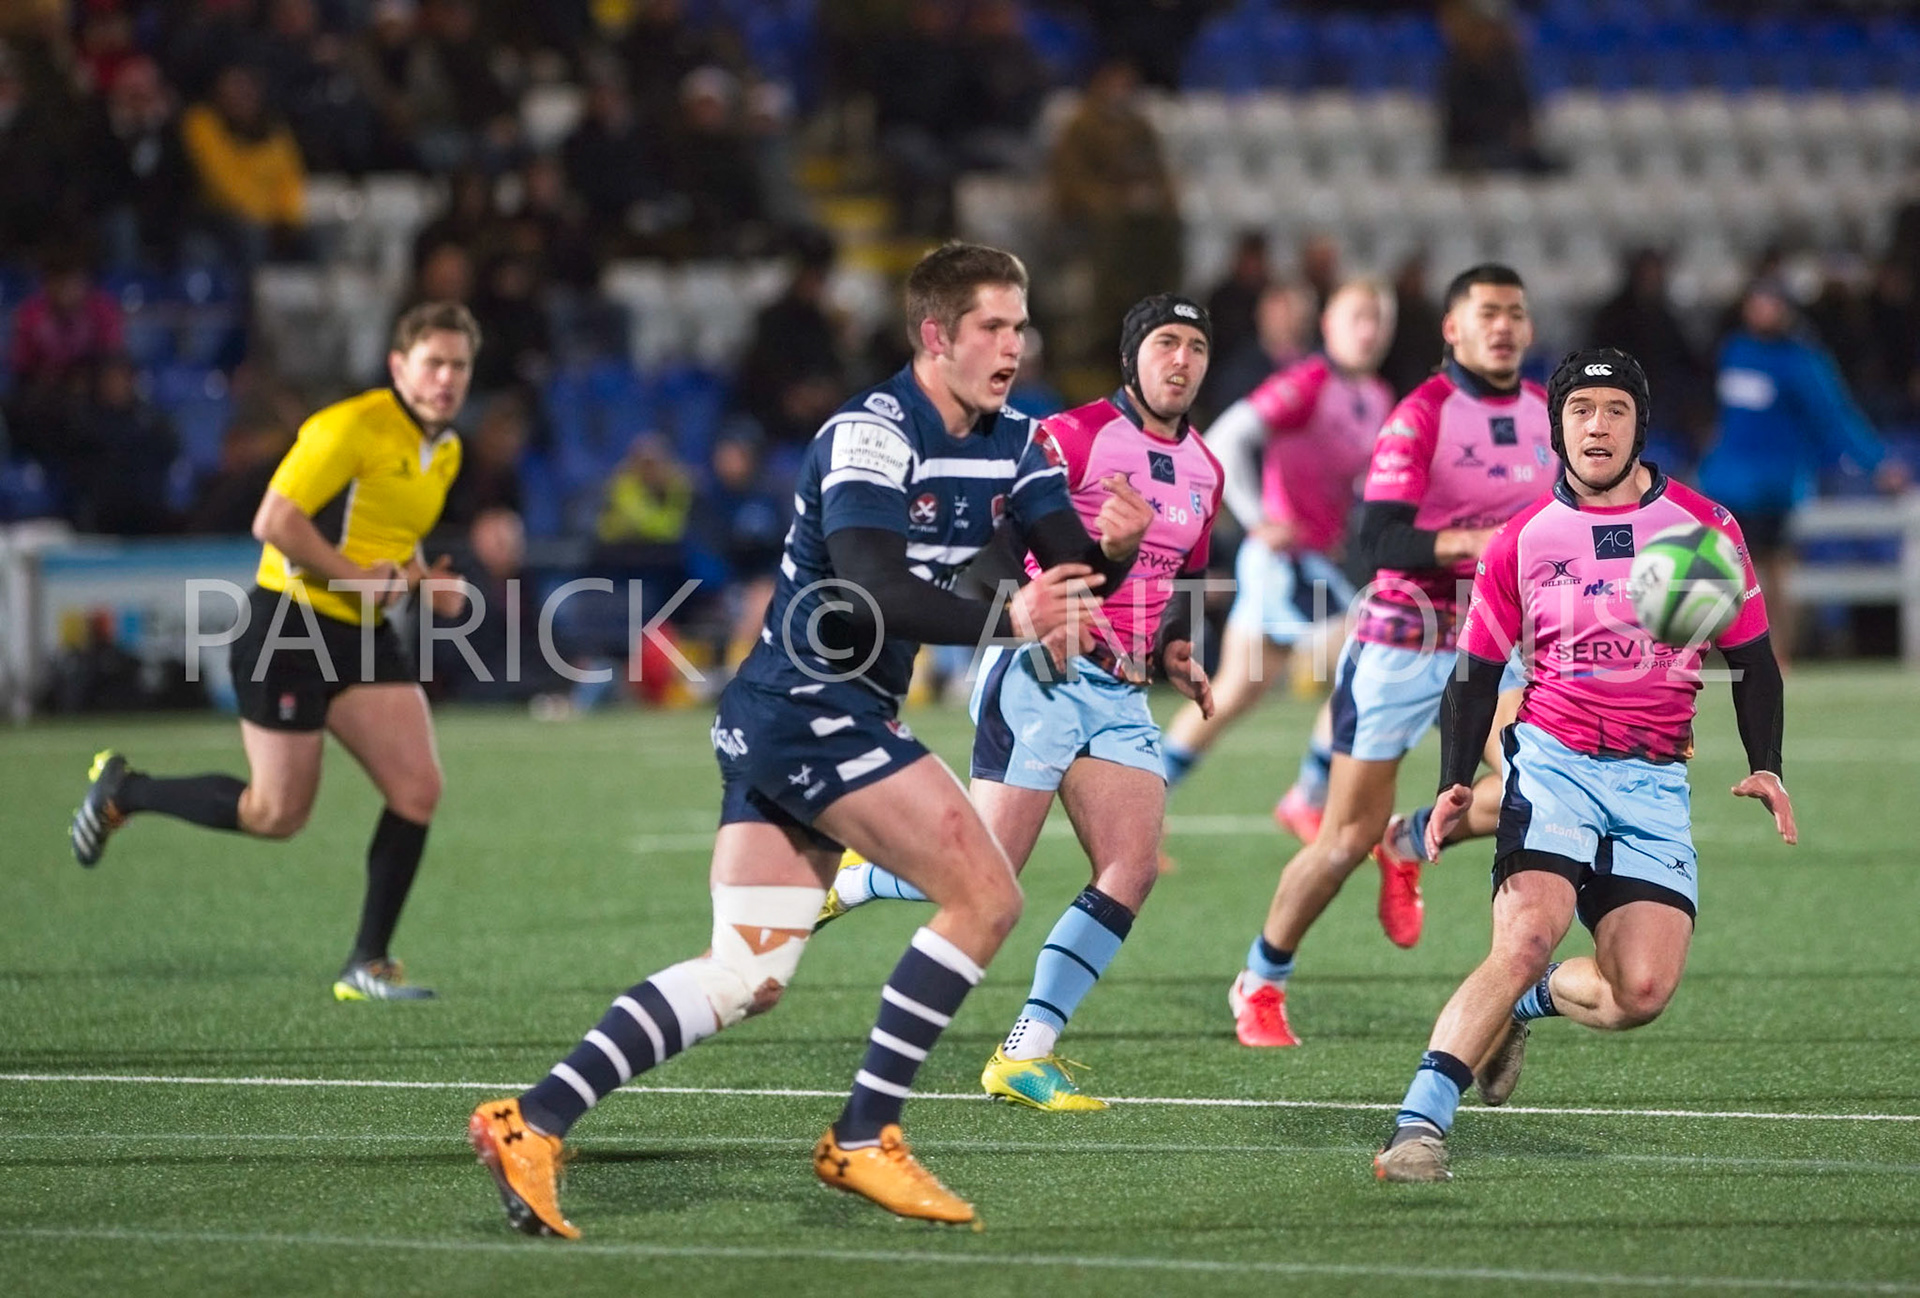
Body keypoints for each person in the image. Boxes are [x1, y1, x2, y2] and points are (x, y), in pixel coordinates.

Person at [466, 243, 1140, 1237]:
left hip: (810, 718)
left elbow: (1062, 581)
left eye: (1019, 324)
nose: (1013, 343)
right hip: (808, 704)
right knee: (988, 893)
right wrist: (1016, 613)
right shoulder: (867, 434)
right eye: (992, 326)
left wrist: (1106, 555)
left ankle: (534, 1117)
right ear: (935, 336)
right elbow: (871, 587)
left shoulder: (1024, 441)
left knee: (747, 974)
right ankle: (865, 1135)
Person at [1373, 348, 1793, 1182]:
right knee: (1528, 935)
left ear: (1640, 424)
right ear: (1557, 426)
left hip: (1653, 782)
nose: (1595, 425)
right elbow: (1476, 672)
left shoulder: (1707, 530)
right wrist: (1457, 780)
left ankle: (1523, 1010)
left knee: (1639, 991)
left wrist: (1766, 763)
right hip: (1556, 763)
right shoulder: (1524, 538)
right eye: (1579, 411)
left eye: (1613, 409)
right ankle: (1419, 1127)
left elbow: (1755, 656)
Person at [816, 294, 1219, 1111]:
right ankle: (859, 877)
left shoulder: (1206, 468)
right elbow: (984, 546)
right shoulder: (1069, 437)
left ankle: (1024, 1052)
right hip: (1041, 673)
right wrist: (1030, 612)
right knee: (987, 874)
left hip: (1120, 689)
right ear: (1133, 355)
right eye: (1166, 343)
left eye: (1198, 348)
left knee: (1132, 868)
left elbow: (1175, 577)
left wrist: (1176, 645)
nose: (1182, 361)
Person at [68, 302, 479, 1001]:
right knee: (276, 815)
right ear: (398, 366)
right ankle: (124, 792)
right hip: (288, 628)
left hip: (360, 634)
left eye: (459, 365)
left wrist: (425, 583)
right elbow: (274, 521)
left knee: (418, 789)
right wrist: (362, 578)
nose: (446, 378)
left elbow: (385, 539)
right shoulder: (349, 426)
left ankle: (367, 962)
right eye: (433, 363)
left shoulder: (447, 451)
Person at [1229, 264, 1551, 1047]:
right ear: (1452, 329)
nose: (1503, 326)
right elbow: (1376, 539)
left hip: (1498, 646)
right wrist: (1472, 542)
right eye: (1486, 314)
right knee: (1340, 839)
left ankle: (1409, 842)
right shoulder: (1423, 414)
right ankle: (1261, 980)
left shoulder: (1549, 414)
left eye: (1515, 312)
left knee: (1540, 796)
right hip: (1402, 641)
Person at [1162, 281, 1396, 831]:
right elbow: (1224, 439)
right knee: (1371, 649)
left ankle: (1146, 794)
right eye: (1359, 315)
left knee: (1235, 691)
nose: (1370, 329)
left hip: (1311, 562)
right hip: (1284, 563)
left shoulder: (1378, 395)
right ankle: (1309, 797)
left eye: (1380, 319)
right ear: (1329, 325)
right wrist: (1255, 518)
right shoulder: (1309, 382)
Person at [1699, 279, 1907, 667]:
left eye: (1769, 302)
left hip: (1771, 484)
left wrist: (1876, 462)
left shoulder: (1802, 362)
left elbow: (1836, 416)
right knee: (1722, 567)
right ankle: (1720, 650)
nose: (1761, 310)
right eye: (1756, 300)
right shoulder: (1735, 351)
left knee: (1772, 568)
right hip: (1726, 480)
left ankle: (1775, 652)